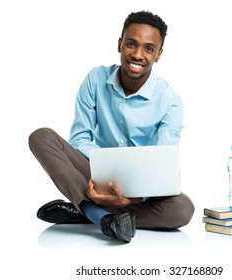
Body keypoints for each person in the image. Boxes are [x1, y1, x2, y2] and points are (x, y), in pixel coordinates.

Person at [29, 11, 195, 243]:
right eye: (131, 44)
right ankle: (102, 216)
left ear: (158, 55)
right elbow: (79, 138)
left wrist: (133, 198)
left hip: (142, 191)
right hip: (96, 175)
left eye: (148, 48)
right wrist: (104, 172)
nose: (137, 54)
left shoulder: (170, 101)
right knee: (41, 137)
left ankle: (88, 212)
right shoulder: (95, 79)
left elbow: (162, 164)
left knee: (183, 209)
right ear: (119, 44)